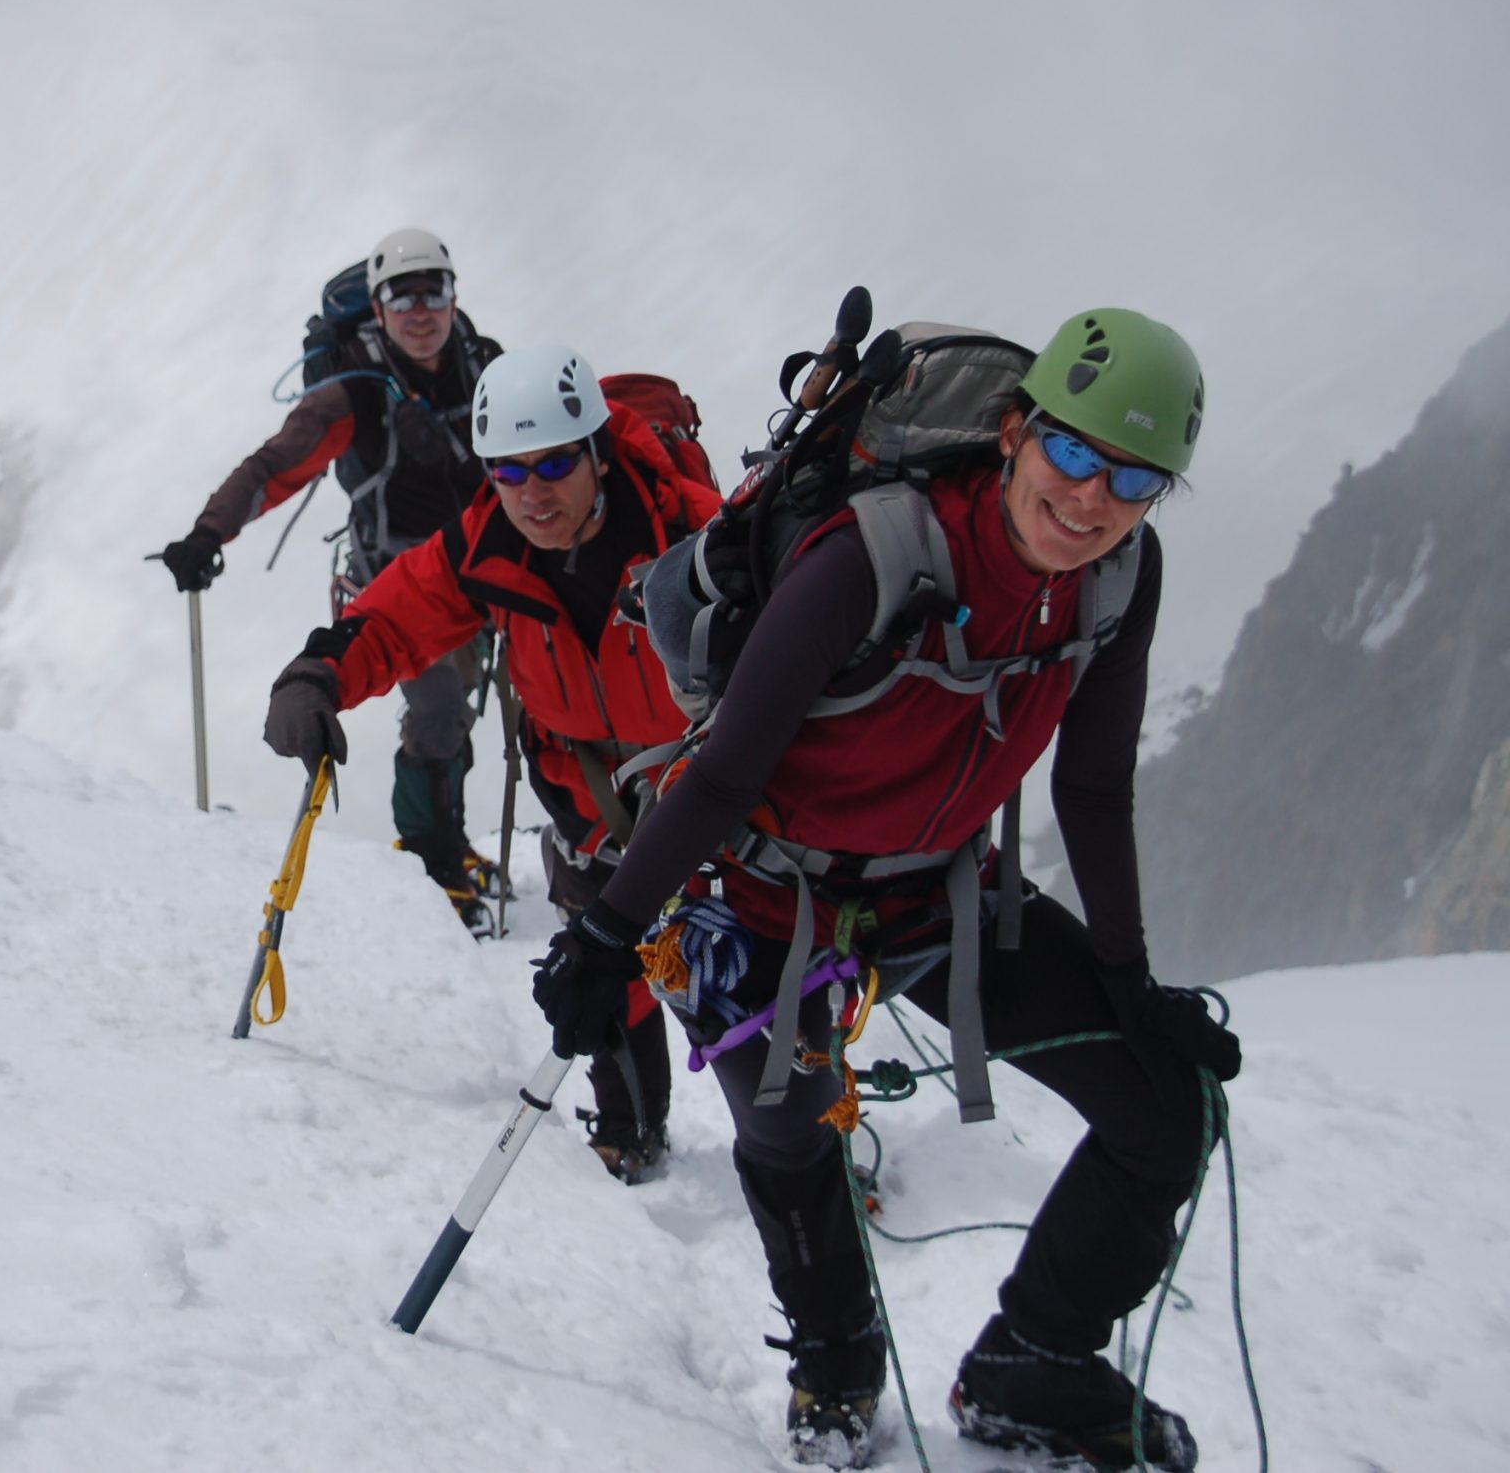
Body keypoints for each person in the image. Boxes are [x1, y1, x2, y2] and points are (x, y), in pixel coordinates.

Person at [529, 311, 1240, 1468]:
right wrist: (609, 931)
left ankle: (1035, 1361)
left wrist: (1128, 977)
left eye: (1134, 477)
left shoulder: (1118, 574)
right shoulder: (875, 555)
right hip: (770, 898)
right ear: (1014, 433)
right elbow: (722, 774)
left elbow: (1097, 781)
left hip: (948, 893)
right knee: (786, 1120)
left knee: (1163, 1111)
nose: (1092, 498)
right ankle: (836, 1364)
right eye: (1070, 453)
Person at [263, 346, 722, 1180]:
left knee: (751, 978)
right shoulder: (488, 544)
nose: (533, 492)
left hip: (711, 788)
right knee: (606, 970)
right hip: (592, 798)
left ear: (596, 450)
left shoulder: (693, 532)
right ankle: (630, 1131)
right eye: (509, 471)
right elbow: (397, 617)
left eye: (553, 462)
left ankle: (810, 1153)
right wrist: (318, 674)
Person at [160, 227, 504, 921]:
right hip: (399, 579)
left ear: (453, 295)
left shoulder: (486, 366)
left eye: (430, 292)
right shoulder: (354, 393)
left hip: (488, 567)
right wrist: (208, 533)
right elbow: (275, 466)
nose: (418, 310)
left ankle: (451, 844)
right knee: (439, 713)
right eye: (399, 297)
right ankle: (435, 863)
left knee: (465, 717)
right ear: (376, 309)